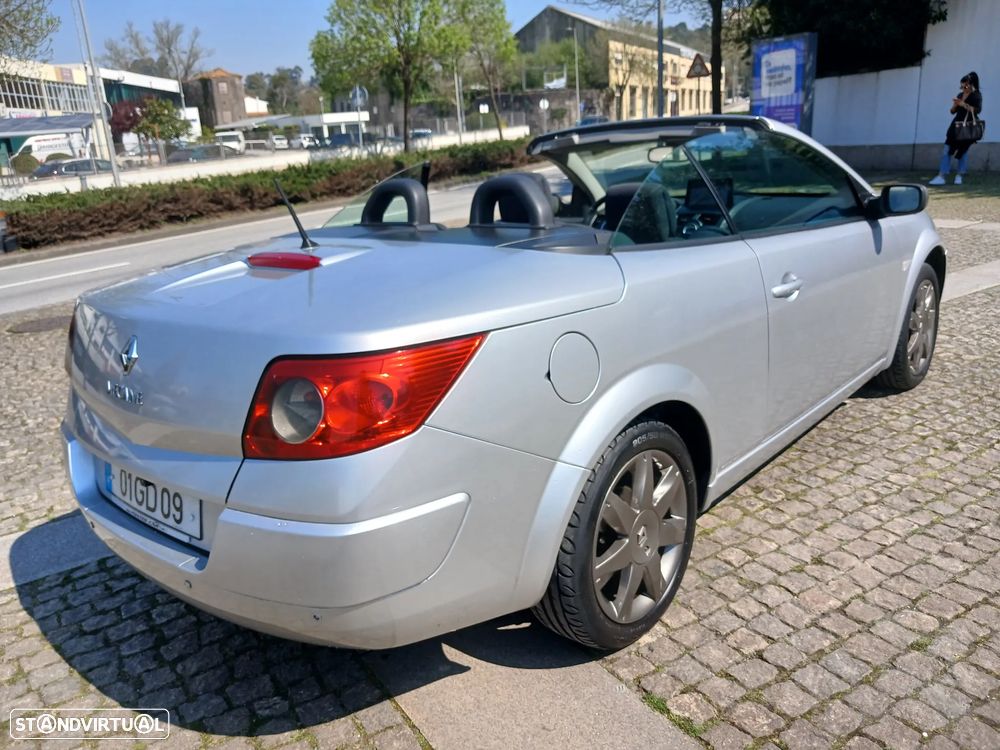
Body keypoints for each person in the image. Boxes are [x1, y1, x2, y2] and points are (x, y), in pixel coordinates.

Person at [929, 72, 983, 185]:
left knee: (962, 152)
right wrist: (955, 105)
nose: (963, 88)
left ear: (971, 84)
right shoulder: (959, 95)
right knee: (946, 150)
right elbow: (952, 112)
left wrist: (963, 104)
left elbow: (977, 110)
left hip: (967, 127)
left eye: (965, 85)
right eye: (962, 85)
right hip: (956, 126)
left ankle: (959, 176)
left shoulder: (976, 95)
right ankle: (941, 176)